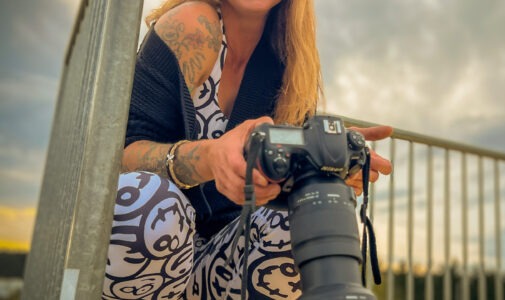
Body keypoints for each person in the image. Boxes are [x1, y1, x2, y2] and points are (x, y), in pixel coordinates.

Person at [102, 0, 393, 299]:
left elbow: (282, 189)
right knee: (149, 200)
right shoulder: (192, 24)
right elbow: (118, 159)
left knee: (307, 208)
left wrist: (324, 168)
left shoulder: (291, 66)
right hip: (147, 265)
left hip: (225, 268)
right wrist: (210, 158)